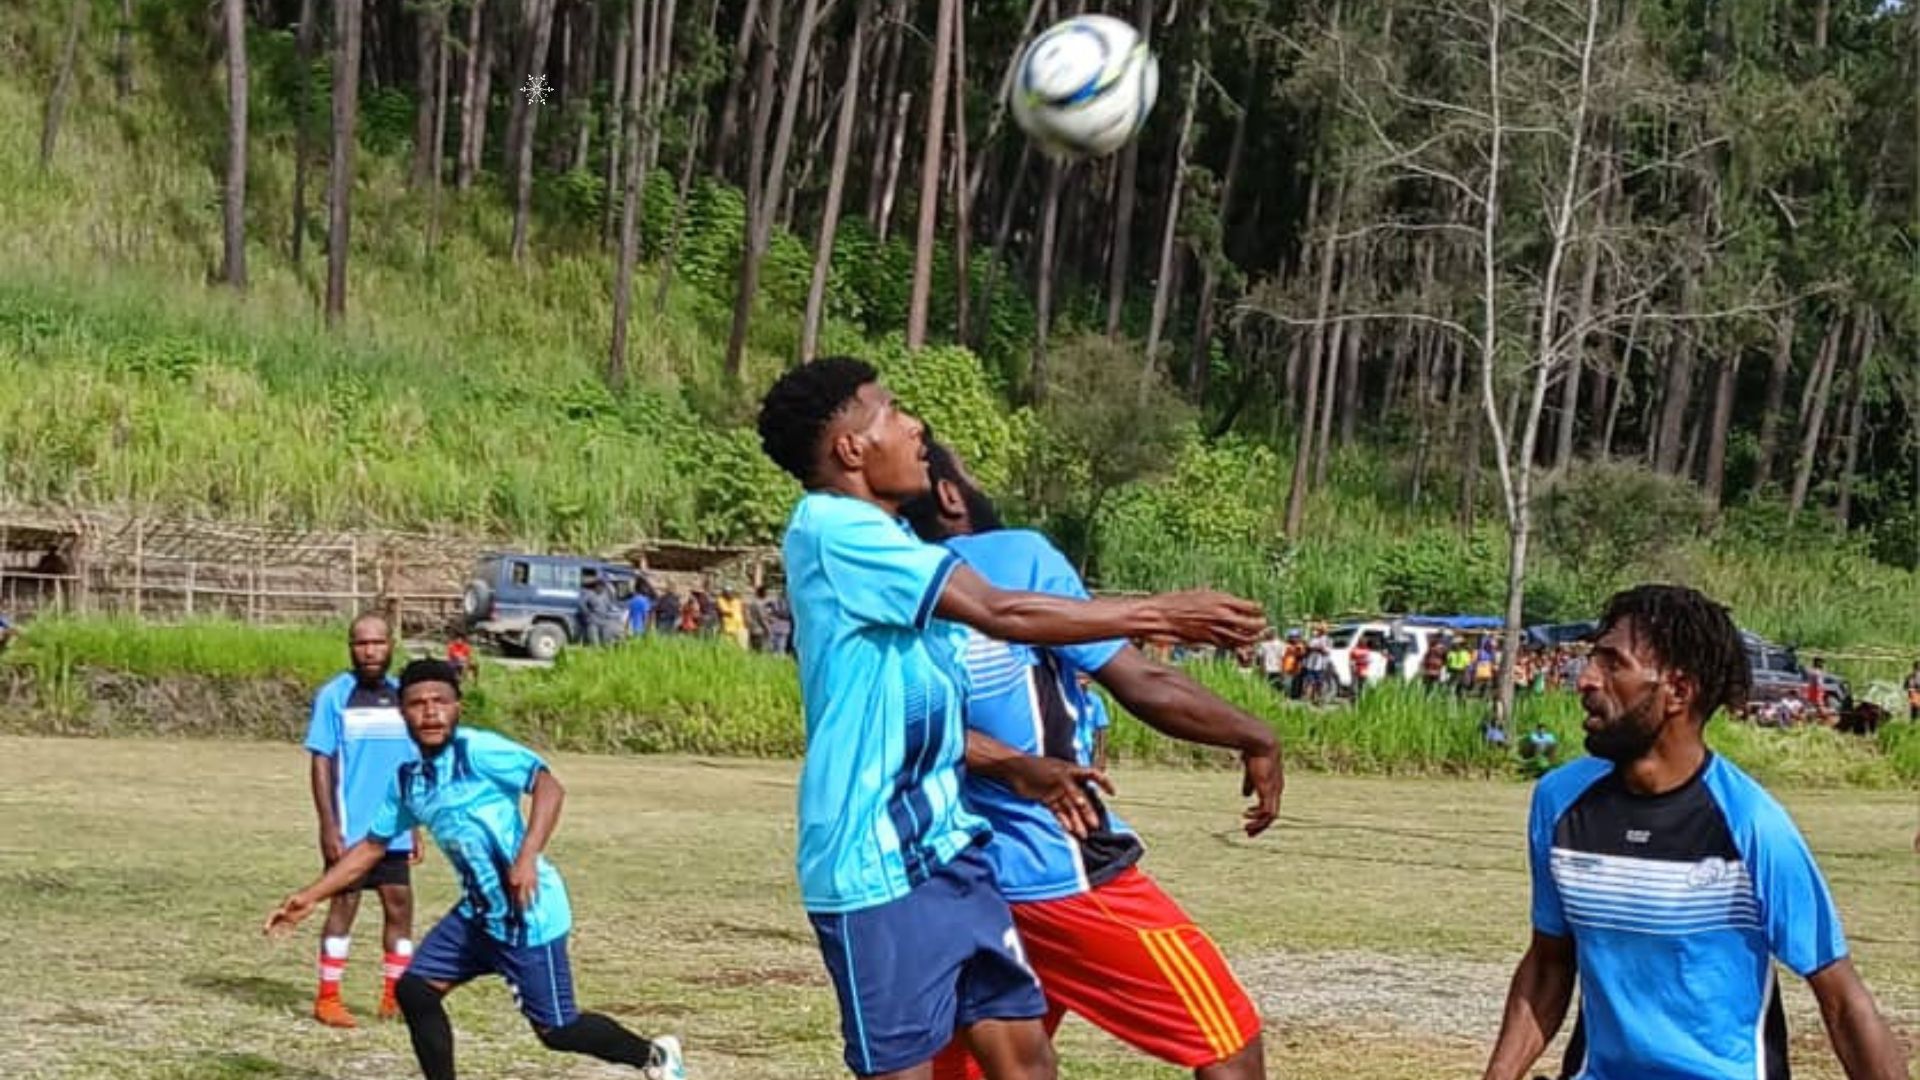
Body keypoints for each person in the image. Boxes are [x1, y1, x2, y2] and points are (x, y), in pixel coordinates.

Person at [755, 357, 1265, 1080]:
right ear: (850, 448)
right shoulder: (833, 530)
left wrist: (1017, 765)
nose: (913, 426)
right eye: (892, 412)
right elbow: (1004, 612)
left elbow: (909, 708)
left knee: (1024, 1058)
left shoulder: (899, 544)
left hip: (952, 849)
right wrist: (1162, 612)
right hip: (875, 865)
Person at [902, 440, 1278, 1080]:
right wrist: (1257, 736)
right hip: (1058, 866)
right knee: (1229, 1042)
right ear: (951, 494)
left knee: (988, 1068)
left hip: (962, 875)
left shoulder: (895, 579)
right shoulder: (1016, 555)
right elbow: (1144, 684)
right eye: (969, 469)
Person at [1481, 585, 1905, 1080]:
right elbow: (1550, 965)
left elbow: (1843, 1002)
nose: (1587, 679)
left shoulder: (1751, 825)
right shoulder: (1559, 803)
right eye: (1592, 659)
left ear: (1678, 692)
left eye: (1613, 663)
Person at [266, 660, 687, 1080]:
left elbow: (548, 785)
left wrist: (526, 857)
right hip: (477, 916)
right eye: (417, 704)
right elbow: (373, 847)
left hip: (528, 914)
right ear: (402, 713)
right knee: (414, 989)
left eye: (440, 702)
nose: (430, 712)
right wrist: (309, 896)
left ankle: (655, 1057)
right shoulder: (409, 780)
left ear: (457, 707)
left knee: (557, 1031)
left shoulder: (477, 750)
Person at [302, 613, 421, 1027]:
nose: (369, 651)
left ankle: (395, 995)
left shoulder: (404, 696)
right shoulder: (335, 695)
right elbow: (322, 762)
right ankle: (328, 998)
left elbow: (412, 764)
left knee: (400, 907)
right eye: (360, 644)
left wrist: (416, 824)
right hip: (351, 829)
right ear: (350, 648)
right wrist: (328, 825)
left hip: (394, 829)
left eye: (377, 643)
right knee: (344, 905)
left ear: (391, 645)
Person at [578, 571, 625, 647]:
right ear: (596, 586)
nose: (600, 588)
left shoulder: (605, 595)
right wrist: (586, 613)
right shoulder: (589, 594)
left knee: (605, 640)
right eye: (599, 586)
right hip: (593, 621)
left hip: (603, 621)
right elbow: (581, 604)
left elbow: (609, 606)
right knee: (594, 641)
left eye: (602, 586)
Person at [761, 586, 793, 655]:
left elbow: (767, 611)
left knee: (779, 647)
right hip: (780, 626)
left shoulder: (775, 602)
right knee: (778, 647)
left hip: (780, 626)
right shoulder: (776, 602)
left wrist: (770, 617)